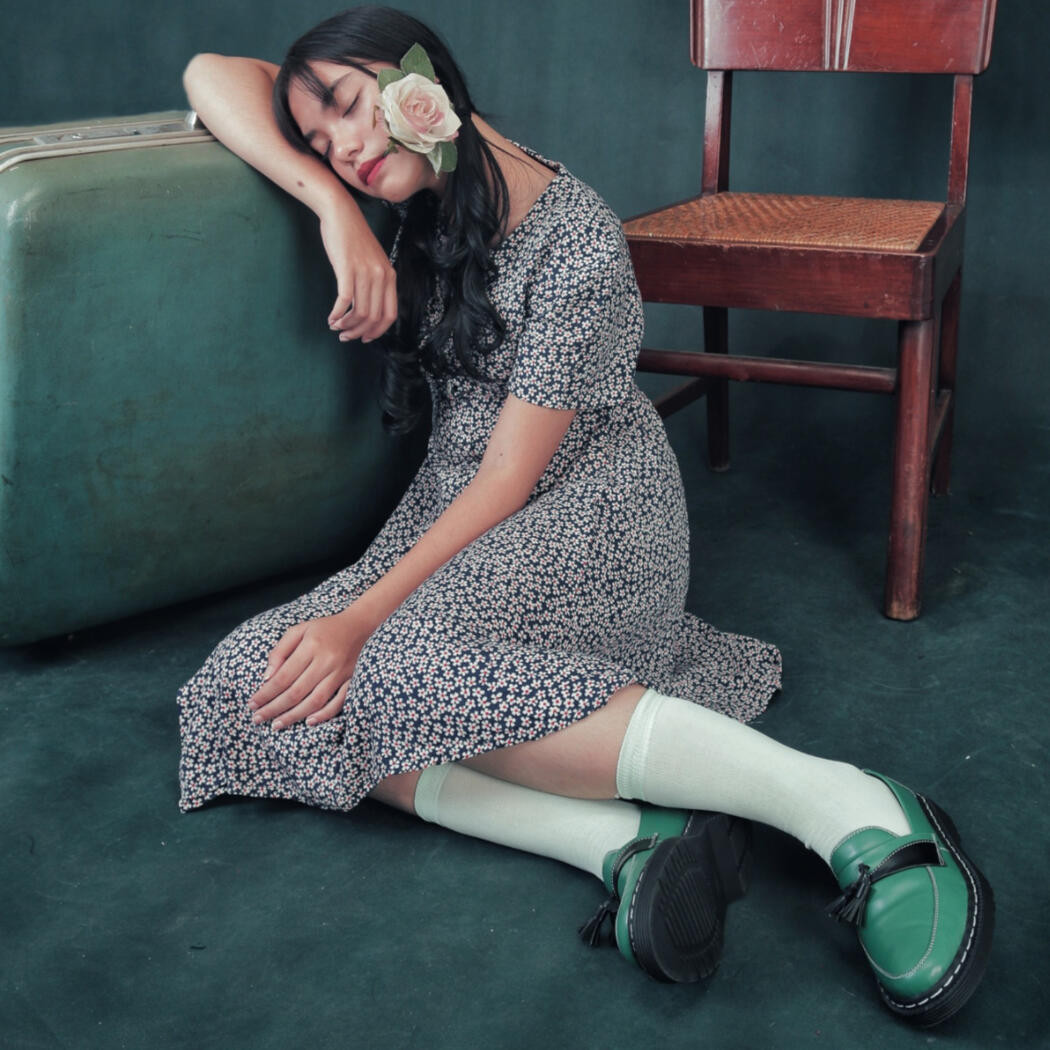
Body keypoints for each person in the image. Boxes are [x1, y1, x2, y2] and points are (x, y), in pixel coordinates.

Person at [178, 6, 993, 1026]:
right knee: (251, 684)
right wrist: (332, 209)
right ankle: (620, 841)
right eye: (315, 137)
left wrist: (359, 617)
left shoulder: (577, 238)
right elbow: (210, 71)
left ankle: (844, 805)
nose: (339, 146)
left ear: (420, 75)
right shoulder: (414, 193)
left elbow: (505, 482)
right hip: (455, 512)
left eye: (345, 107)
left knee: (374, 667)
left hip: (594, 509)